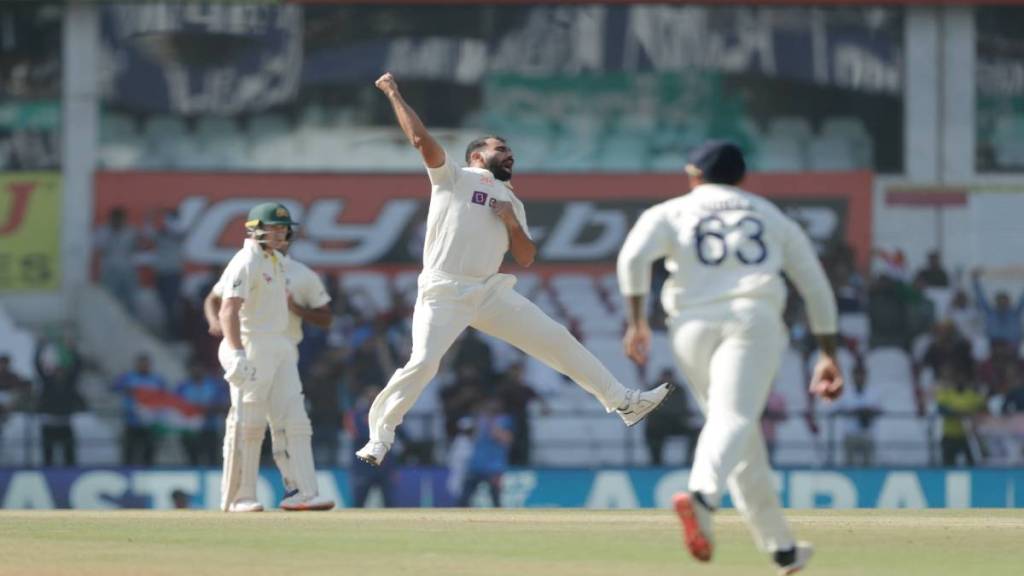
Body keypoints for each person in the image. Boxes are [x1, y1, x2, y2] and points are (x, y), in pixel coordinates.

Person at [355, 72, 672, 467]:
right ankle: (379, 438)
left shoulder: (513, 202)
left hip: (490, 293)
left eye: (509, 150)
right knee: (423, 362)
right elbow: (420, 141)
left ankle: (624, 402)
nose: (509, 154)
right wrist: (393, 93)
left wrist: (509, 221)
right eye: (499, 148)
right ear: (476, 156)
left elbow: (525, 257)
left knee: (556, 338)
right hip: (445, 289)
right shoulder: (455, 177)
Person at [617, 141, 842, 574]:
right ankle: (701, 498)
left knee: (737, 432)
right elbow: (815, 287)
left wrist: (636, 321)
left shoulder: (671, 210)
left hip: (688, 326)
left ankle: (782, 549)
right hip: (751, 320)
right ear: (742, 178)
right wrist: (828, 354)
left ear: (694, 174)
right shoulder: (770, 214)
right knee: (734, 420)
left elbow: (631, 259)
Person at [209, 202, 334, 512]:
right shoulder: (245, 261)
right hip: (252, 344)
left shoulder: (276, 261)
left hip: (281, 346)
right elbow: (227, 309)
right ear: (255, 229)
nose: (280, 234)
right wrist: (236, 352)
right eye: (274, 228)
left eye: (283, 229)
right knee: (248, 424)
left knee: (295, 421)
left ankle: (303, 492)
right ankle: (241, 497)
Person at [35, 339, 85, 466]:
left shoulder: (69, 384)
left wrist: (72, 350)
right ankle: (48, 471)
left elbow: (78, 366)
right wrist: (40, 348)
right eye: (57, 370)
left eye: (61, 370)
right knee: (48, 454)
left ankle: (70, 473)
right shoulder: (47, 383)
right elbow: (37, 366)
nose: (59, 373)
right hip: (49, 422)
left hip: (64, 422)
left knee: (69, 453)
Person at [112, 354, 167, 467]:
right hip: (132, 422)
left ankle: (149, 476)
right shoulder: (128, 377)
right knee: (129, 454)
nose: (143, 367)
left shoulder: (157, 379)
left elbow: (165, 397)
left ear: (149, 365)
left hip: (150, 424)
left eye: (146, 364)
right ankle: (127, 474)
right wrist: (120, 380)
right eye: (141, 364)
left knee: (149, 454)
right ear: (137, 365)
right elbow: (114, 388)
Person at [458, 396, 513, 507]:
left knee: (495, 499)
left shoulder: (504, 420)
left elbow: (507, 440)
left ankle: (500, 521)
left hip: (494, 467)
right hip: (476, 465)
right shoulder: (479, 420)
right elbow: (472, 438)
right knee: (464, 498)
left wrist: (492, 424)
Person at [825, 360, 881, 467]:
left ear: (866, 376)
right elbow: (832, 410)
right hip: (850, 435)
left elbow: (880, 411)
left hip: (867, 435)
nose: (859, 378)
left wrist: (868, 412)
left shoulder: (874, 393)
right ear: (852, 376)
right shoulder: (845, 393)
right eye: (857, 375)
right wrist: (850, 412)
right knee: (848, 465)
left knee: (870, 466)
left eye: (862, 375)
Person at [175, 361, 229, 466]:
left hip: (210, 428)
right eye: (194, 369)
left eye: (199, 368)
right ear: (189, 370)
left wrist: (206, 410)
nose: (197, 371)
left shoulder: (214, 385)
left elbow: (224, 405)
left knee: (212, 458)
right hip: (190, 430)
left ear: (203, 370)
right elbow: (177, 407)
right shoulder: (182, 387)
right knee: (191, 459)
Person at [935, 363, 987, 467]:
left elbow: (983, 408)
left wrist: (970, 414)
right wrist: (958, 413)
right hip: (950, 435)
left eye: (962, 378)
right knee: (947, 464)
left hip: (967, 436)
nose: (960, 381)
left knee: (972, 463)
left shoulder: (972, 395)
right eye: (957, 378)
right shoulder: (947, 393)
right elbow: (941, 409)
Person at [93, 206, 139, 313]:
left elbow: (135, 248)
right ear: (111, 219)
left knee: (131, 300)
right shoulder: (102, 231)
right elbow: (99, 249)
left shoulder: (131, 231)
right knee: (110, 300)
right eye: (116, 219)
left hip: (127, 270)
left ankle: (131, 324)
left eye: (121, 219)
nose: (119, 222)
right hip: (110, 271)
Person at [972, 267, 1024, 350]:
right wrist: (975, 280)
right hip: (994, 347)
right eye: (1000, 301)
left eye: (1004, 301)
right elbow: (980, 297)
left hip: (1013, 347)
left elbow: (1022, 299)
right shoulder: (990, 312)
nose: (1002, 303)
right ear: (996, 302)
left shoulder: (1015, 313)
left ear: (1009, 302)